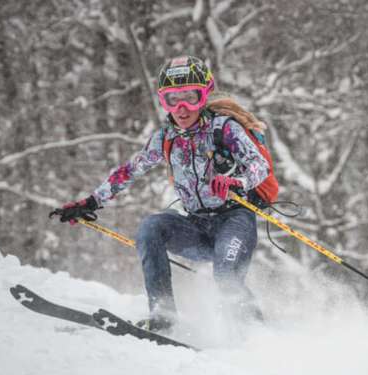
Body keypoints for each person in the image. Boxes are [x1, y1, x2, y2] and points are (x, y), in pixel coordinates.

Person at [54, 55, 270, 332]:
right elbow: (130, 170)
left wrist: (237, 182)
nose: (181, 108)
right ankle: (163, 315)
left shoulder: (225, 129)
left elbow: (259, 166)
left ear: (204, 95)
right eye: (172, 99)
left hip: (234, 223)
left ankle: (253, 333)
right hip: (195, 226)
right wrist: (92, 201)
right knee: (150, 227)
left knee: (226, 275)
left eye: (190, 97)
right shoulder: (167, 137)